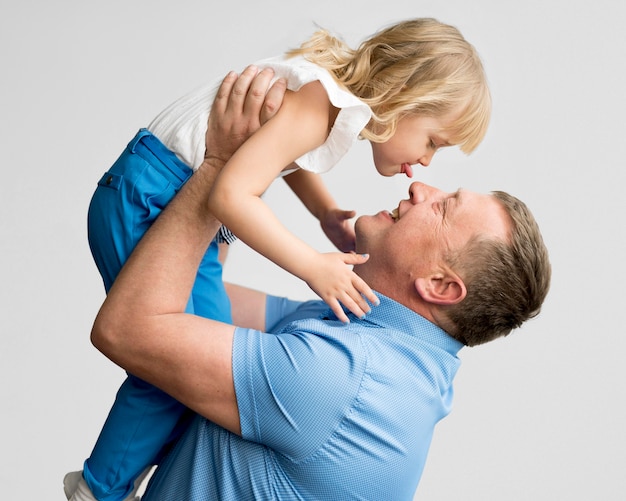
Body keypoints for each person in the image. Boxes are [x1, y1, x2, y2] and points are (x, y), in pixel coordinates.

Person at [77, 66, 550, 500]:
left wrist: (222, 168)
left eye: (443, 207)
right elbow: (195, 305)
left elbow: (130, 328)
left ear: (440, 286)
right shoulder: (374, 339)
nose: (421, 187)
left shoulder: (341, 379)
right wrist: (251, 168)